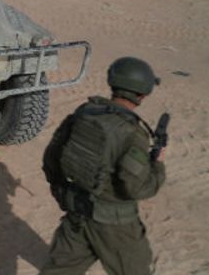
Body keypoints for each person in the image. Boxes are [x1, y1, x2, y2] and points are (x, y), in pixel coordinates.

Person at [39, 57, 167, 275]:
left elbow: (51, 159)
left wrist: (63, 193)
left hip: (76, 214)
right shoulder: (133, 134)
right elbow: (136, 188)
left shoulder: (84, 113)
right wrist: (157, 166)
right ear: (143, 95)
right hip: (115, 224)